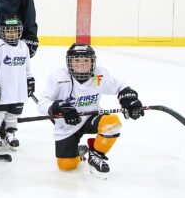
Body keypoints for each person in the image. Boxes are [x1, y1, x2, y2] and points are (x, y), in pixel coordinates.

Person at [37, 44, 144, 177]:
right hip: (68, 125)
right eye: (76, 60)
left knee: (112, 123)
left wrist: (129, 99)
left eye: (86, 60)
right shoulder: (58, 77)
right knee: (66, 166)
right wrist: (58, 106)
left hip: (92, 118)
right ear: (69, 61)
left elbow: (120, 86)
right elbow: (42, 104)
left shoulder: (99, 75)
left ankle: (96, 154)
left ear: (93, 61)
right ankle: (81, 153)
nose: (81, 64)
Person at [0, 15, 33, 151]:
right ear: (2, 31)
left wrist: (30, 79)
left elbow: (27, 67)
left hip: (18, 87)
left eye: (15, 30)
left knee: (14, 112)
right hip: (2, 86)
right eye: (8, 30)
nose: (11, 33)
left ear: (20, 31)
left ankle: (11, 133)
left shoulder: (23, 46)